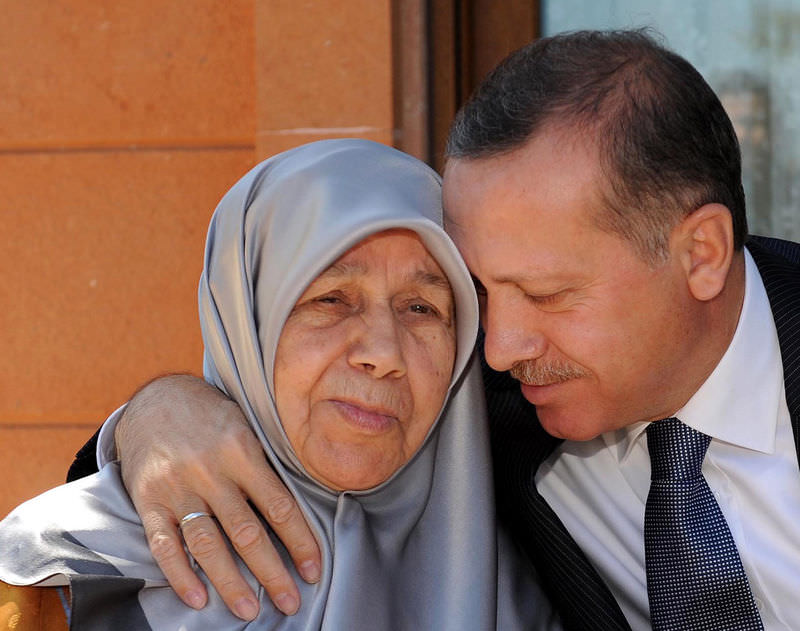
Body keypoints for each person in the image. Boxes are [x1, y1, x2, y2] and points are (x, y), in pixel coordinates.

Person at [67, 29, 800, 630]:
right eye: (476, 293)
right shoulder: (478, 406)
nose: (500, 347)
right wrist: (157, 413)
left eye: (546, 293)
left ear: (700, 254)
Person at [0, 139, 549, 630]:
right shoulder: (51, 583)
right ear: (245, 324)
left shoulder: (525, 587)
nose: (384, 354)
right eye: (331, 299)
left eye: (422, 307)